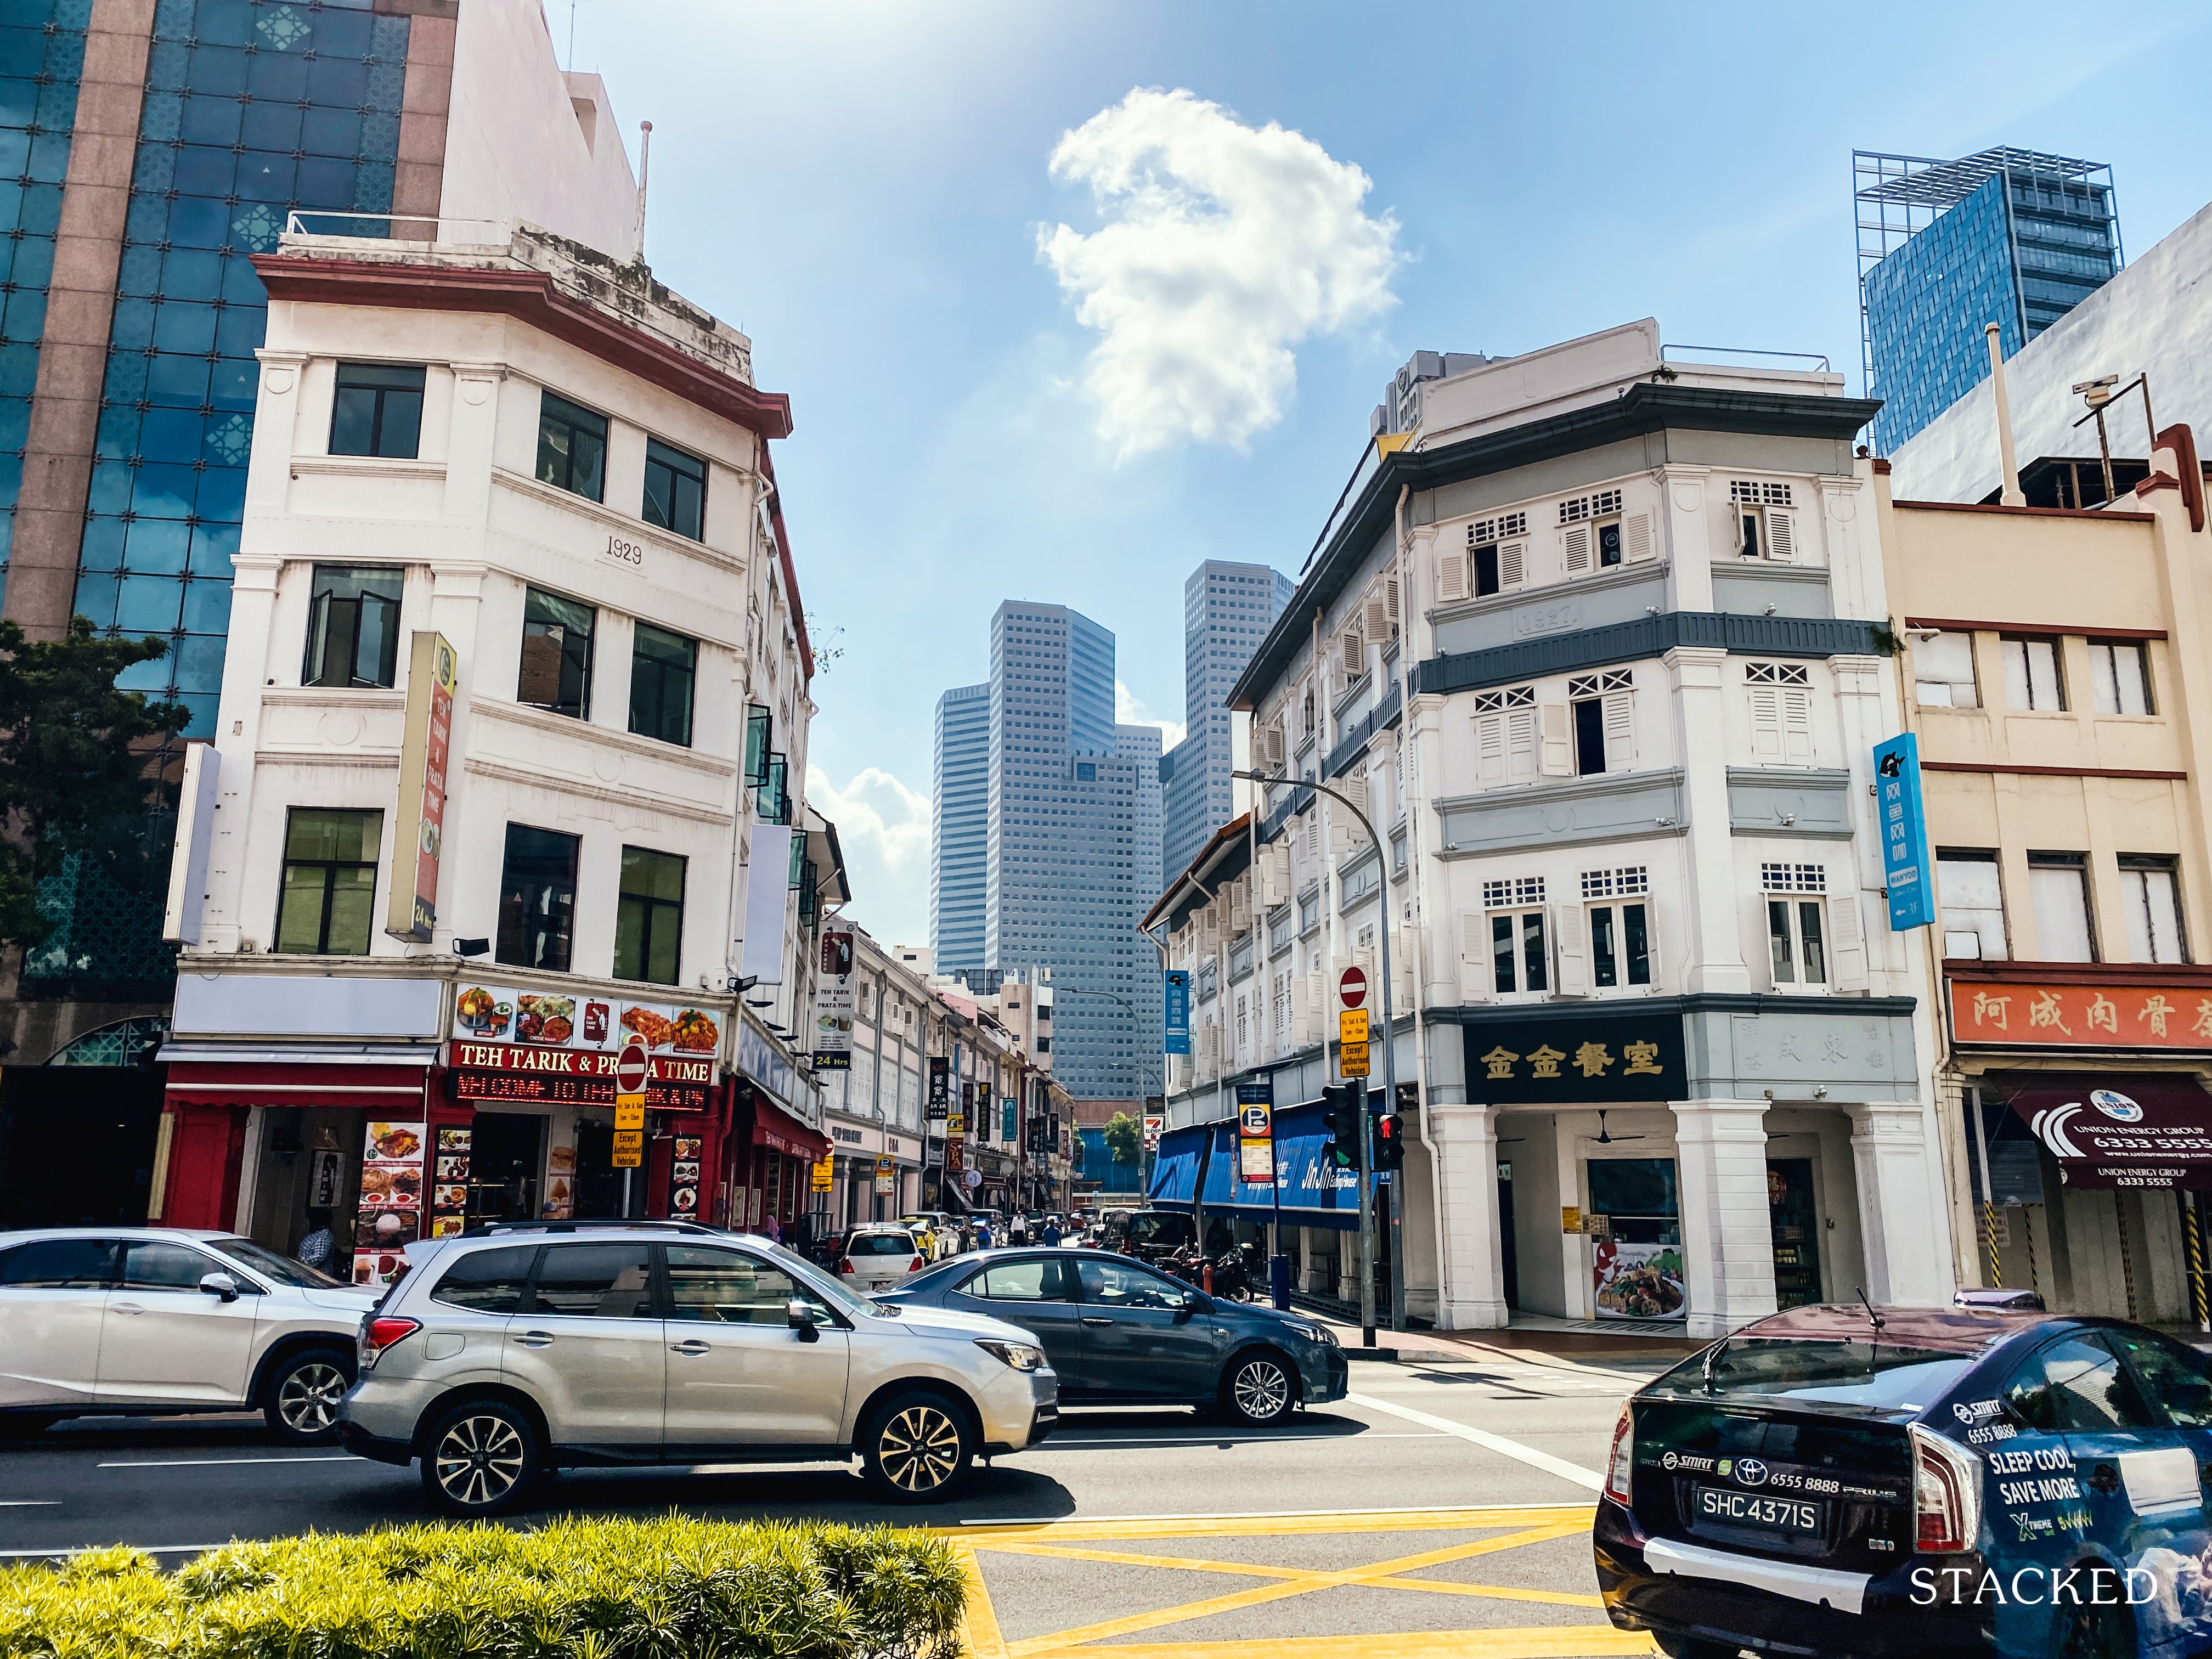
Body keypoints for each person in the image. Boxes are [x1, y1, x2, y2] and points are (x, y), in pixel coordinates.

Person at [296, 1207, 336, 1273]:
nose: (305, 1221)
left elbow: (320, 1256)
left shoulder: (324, 1236)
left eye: (308, 1218)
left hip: (319, 1278)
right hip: (308, 1274)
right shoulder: (314, 1233)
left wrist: (302, 1263)